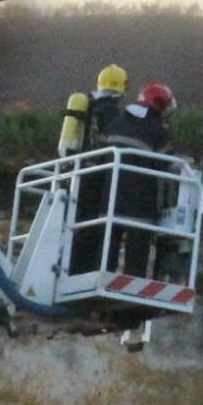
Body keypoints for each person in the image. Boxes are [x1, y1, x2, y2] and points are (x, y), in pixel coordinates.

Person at [98, 82, 175, 276]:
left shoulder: (115, 123)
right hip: (140, 205)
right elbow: (170, 164)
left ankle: (101, 280)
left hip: (110, 201)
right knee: (137, 258)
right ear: (159, 105)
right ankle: (131, 294)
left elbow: (99, 157)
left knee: (106, 251)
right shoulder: (157, 131)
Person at [68, 64, 128, 274]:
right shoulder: (111, 113)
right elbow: (114, 144)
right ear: (121, 90)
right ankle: (86, 270)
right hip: (99, 176)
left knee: (79, 226)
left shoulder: (88, 108)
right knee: (94, 227)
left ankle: (74, 268)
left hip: (80, 172)